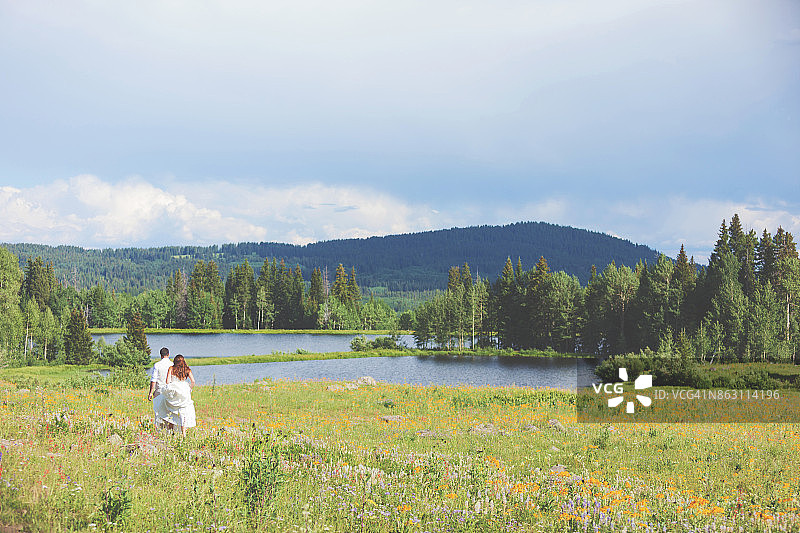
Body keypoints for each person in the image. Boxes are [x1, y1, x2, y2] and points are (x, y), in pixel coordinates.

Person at [162, 354, 196, 437]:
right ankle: (183, 433)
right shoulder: (187, 369)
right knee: (183, 412)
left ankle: (171, 431)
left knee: (171, 410)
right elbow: (193, 381)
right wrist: (189, 389)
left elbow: (167, 381)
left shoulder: (171, 368)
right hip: (184, 390)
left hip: (174, 389)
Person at [148, 347, 173, 430]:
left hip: (159, 391)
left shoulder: (157, 365)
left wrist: (151, 392)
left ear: (161, 355)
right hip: (170, 391)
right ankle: (169, 429)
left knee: (158, 411)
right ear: (168, 354)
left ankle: (159, 429)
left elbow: (153, 380)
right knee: (169, 411)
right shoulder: (172, 365)